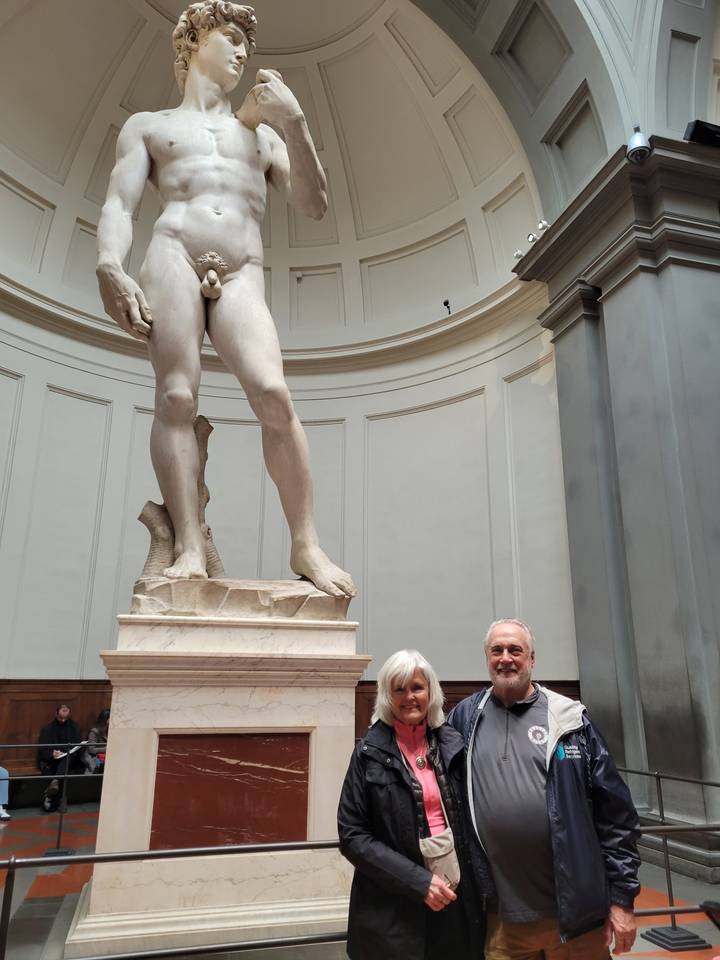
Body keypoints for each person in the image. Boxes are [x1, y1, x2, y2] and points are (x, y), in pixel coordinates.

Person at [95, 1, 355, 599]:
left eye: (246, 43)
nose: (243, 52)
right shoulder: (150, 125)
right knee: (177, 395)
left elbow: (314, 205)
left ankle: (305, 543)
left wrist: (296, 122)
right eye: (231, 37)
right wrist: (110, 264)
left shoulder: (260, 136)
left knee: (273, 393)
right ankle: (188, 544)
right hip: (172, 255)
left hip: (241, 270)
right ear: (193, 41)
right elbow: (119, 205)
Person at [449, 618, 641, 960]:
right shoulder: (465, 719)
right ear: (487, 658)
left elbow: (617, 818)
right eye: (497, 650)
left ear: (532, 660)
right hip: (502, 922)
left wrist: (622, 899)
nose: (505, 657)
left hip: (577, 921)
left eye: (515, 650)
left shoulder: (570, 720)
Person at [337, 649, 487, 960]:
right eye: (399, 689)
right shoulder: (367, 754)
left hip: (456, 904)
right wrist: (419, 882)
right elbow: (353, 835)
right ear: (387, 696)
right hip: (393, 908)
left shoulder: (453, 745)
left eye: (417, 687)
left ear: (430, 691)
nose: (409, 697)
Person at [38, 704, 84, 812]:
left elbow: (77, 747)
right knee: (62, 765)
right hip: (53, 759)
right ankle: (61, 798)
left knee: (67, 758)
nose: (63, 721)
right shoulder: (48, 729)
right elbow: (42, 751)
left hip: (70, 759)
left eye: (65, 718)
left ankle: (52, 790)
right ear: (56, 714)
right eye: (60, 718)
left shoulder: (74, 727)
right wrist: (52, 754)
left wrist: (67, 751)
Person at [82, 708, 110, 774]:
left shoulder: (109, 731)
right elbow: (91, 750)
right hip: (95, 758)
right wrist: (107, 749)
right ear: (105, 719)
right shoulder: (94, 732)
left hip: (106, 757)